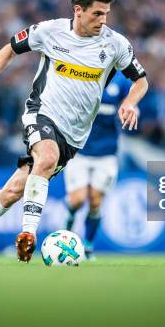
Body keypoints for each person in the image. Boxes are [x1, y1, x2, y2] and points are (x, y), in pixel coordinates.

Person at [0, 0, 148, 265]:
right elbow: (9, 48)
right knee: (46, 156)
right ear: (78, 10)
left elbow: (141, 80)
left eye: (106, 13)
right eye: (97, 12)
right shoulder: (50, 31)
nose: (103, 19)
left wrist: (130, 102)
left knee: (11, 192)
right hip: (41, 112)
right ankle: (28, 235)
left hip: (74, 136)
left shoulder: (116, 44)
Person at [63, 72, 132, 260]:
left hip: (107, 152)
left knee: (95, 201)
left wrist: (131, 108)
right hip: (79, 150)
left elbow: (131, 100)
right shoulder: (84, 70)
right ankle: (69, 217)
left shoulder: (121, 79)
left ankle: (88, 247)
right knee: (77, 200)